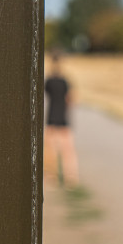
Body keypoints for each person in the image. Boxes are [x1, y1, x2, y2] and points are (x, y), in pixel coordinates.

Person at [44, 53, 79, 187]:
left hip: (53, 118)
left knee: (52, 150)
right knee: (65, 151)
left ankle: (52, 176)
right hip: (62, 118)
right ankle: (70, 177)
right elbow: (71, 99)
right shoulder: (64, 81)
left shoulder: (50, 81)